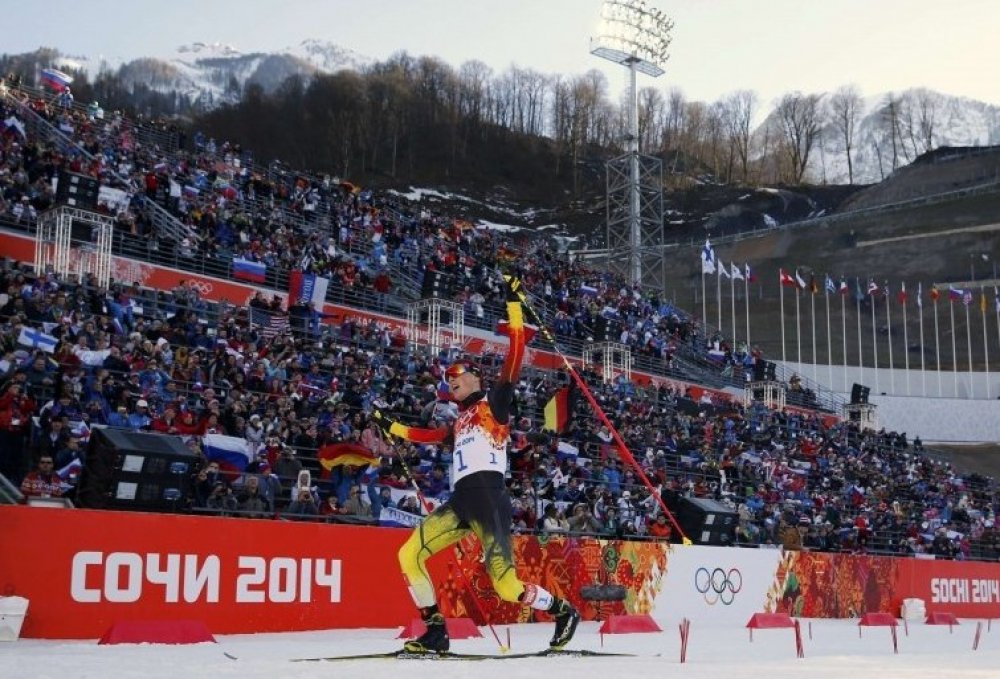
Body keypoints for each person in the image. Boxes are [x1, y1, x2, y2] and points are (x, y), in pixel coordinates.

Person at [372, 275, 579, 654]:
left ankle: (563, 610)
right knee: (408, 554)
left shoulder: (494, 404)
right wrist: (390, 425)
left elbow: (515, 352)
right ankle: (436, 630)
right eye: (446, 378)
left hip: (489, 499)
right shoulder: (457, 421)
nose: (449, 380)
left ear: (475, 378)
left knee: (506, 585)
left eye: (457, 375)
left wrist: (513, 303)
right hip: (460, 502)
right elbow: (425, 436)